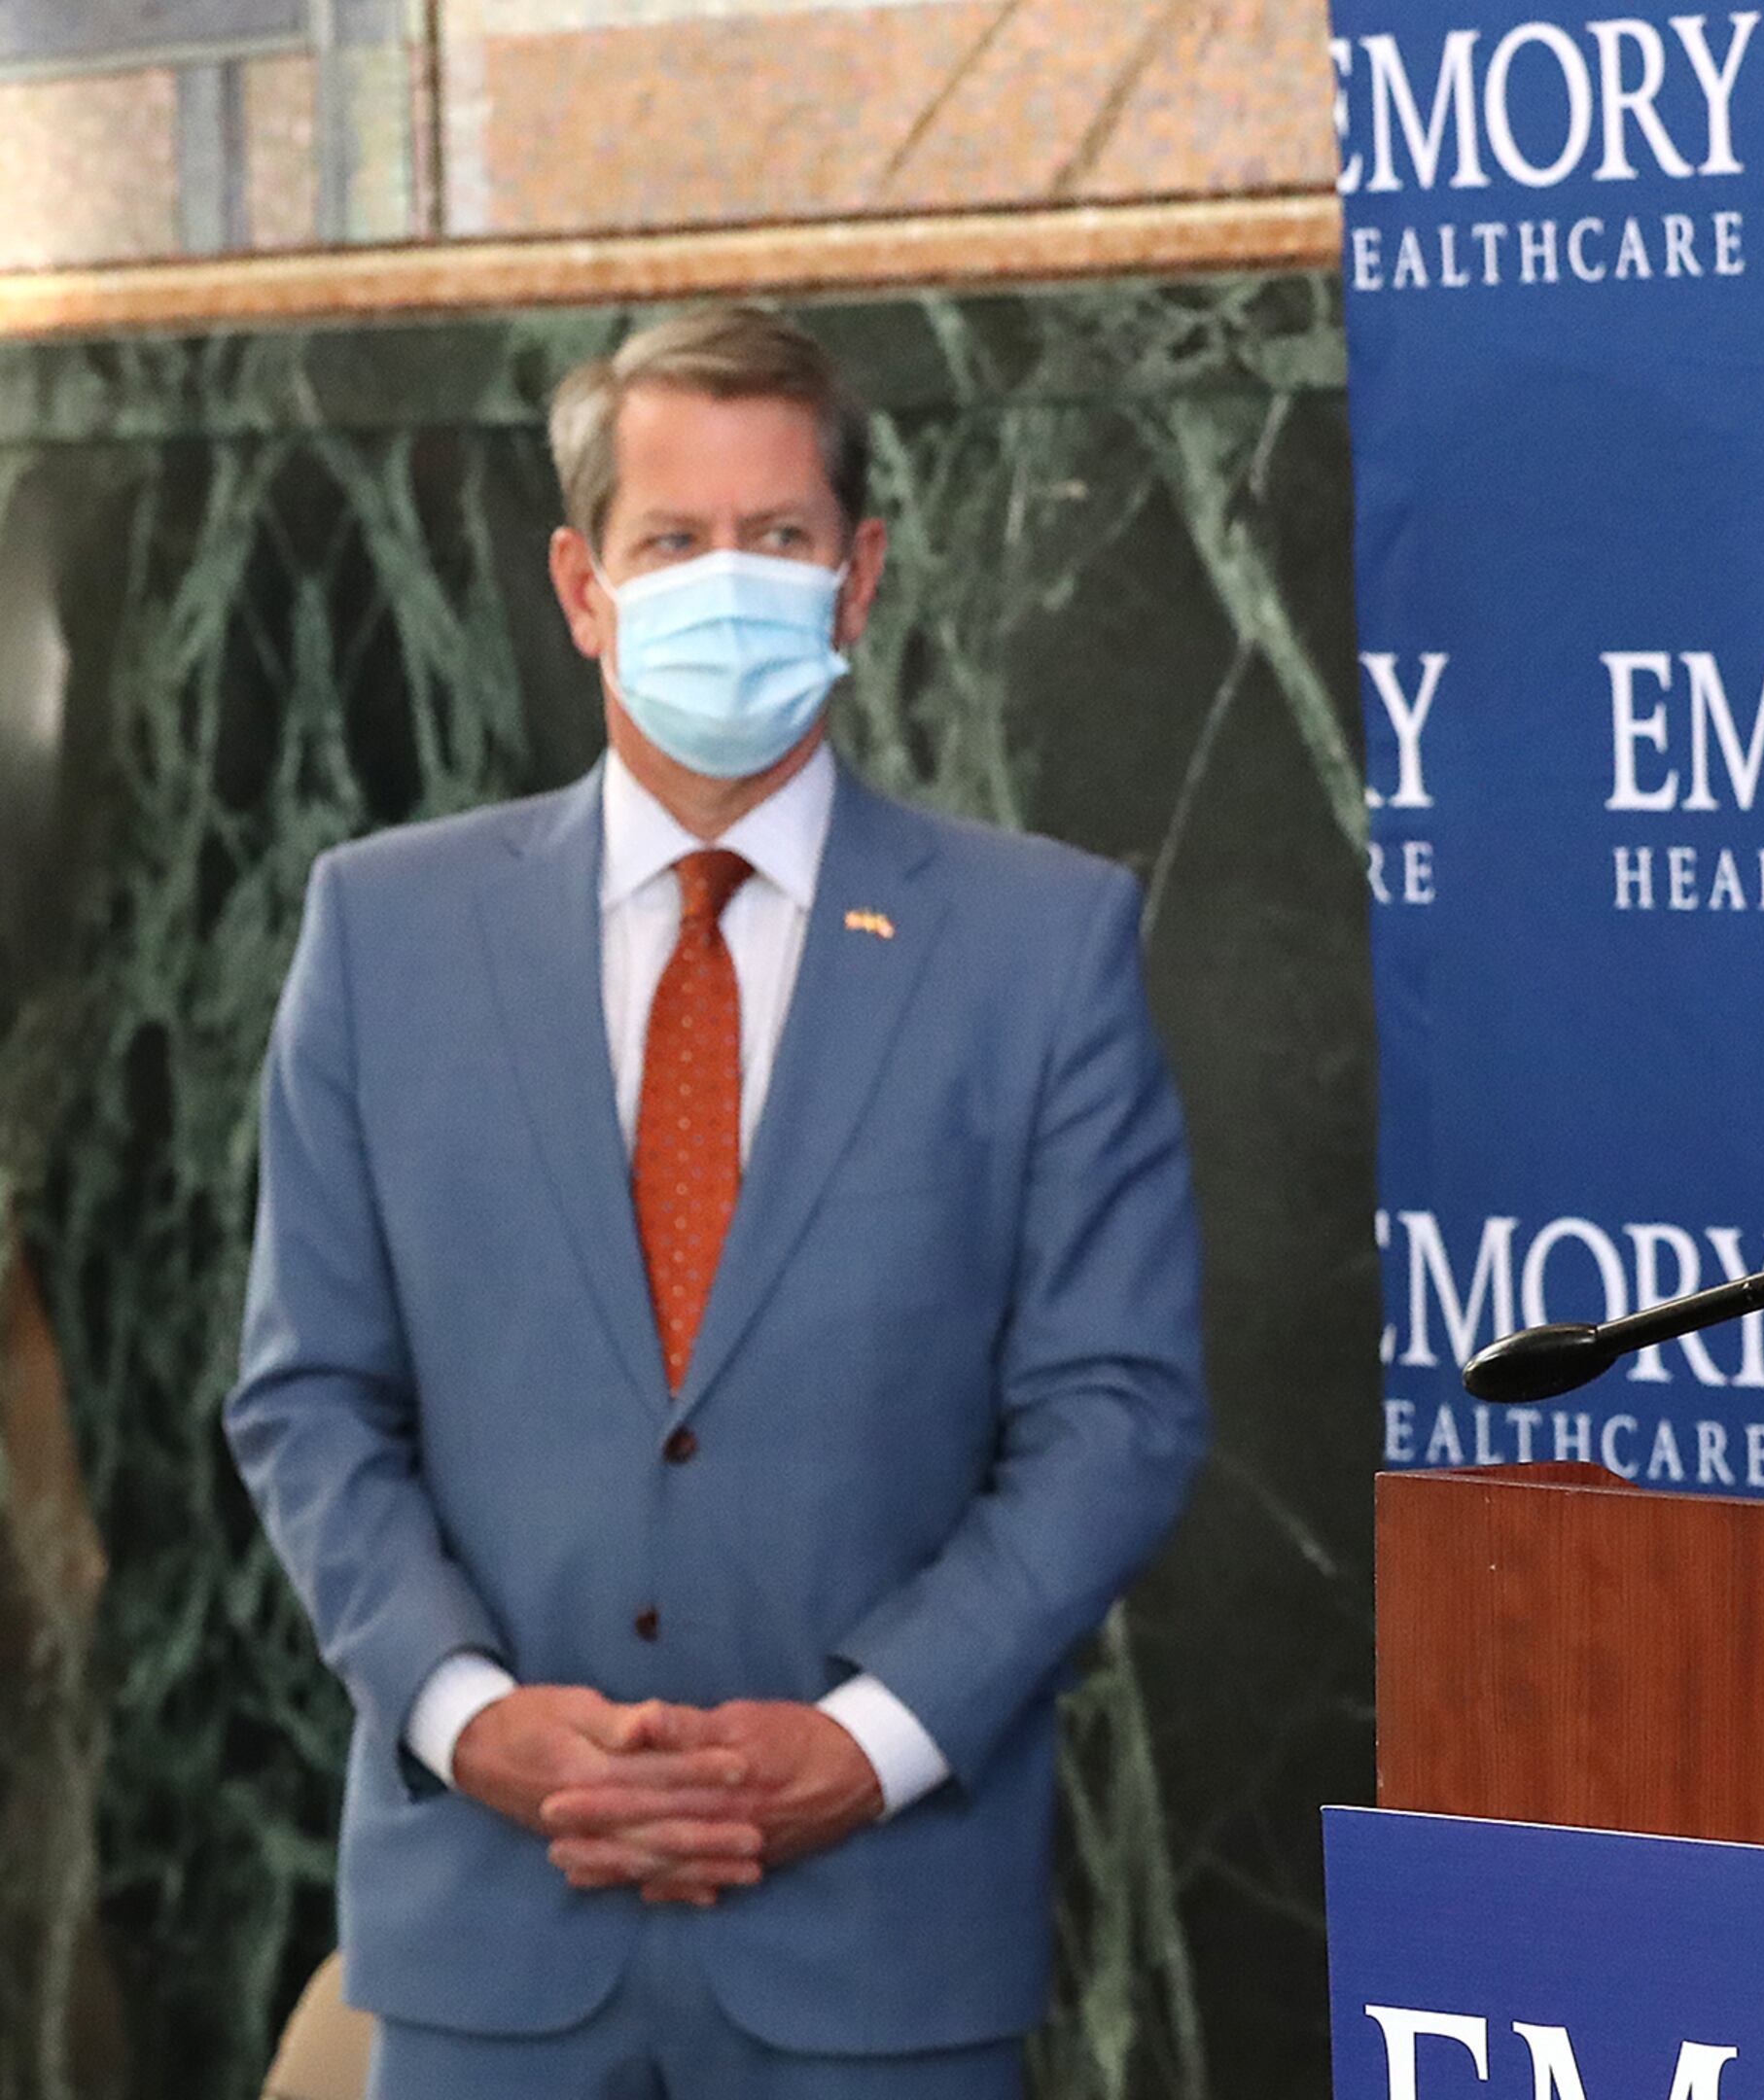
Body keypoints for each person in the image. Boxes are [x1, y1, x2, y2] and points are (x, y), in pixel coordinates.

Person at [225, 304, 1208, 2097]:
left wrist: (867, 1740)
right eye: (673, 542)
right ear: (582, 587)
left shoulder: (1040, 946)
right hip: (487, 1942)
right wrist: (472, 1719)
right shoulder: (381, 932)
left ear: (861, 579)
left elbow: (1116, 1414)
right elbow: (308, 1399)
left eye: (779, 539)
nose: (726, 584)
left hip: (880, 1947)